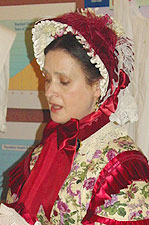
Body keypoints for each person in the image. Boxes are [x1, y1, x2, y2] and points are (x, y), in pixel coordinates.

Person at [0, 9, 149, 225]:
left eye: (64, 81)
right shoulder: (45, 150)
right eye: (48, 79)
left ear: (97, 86)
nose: (50, 91)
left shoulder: (122, 167)